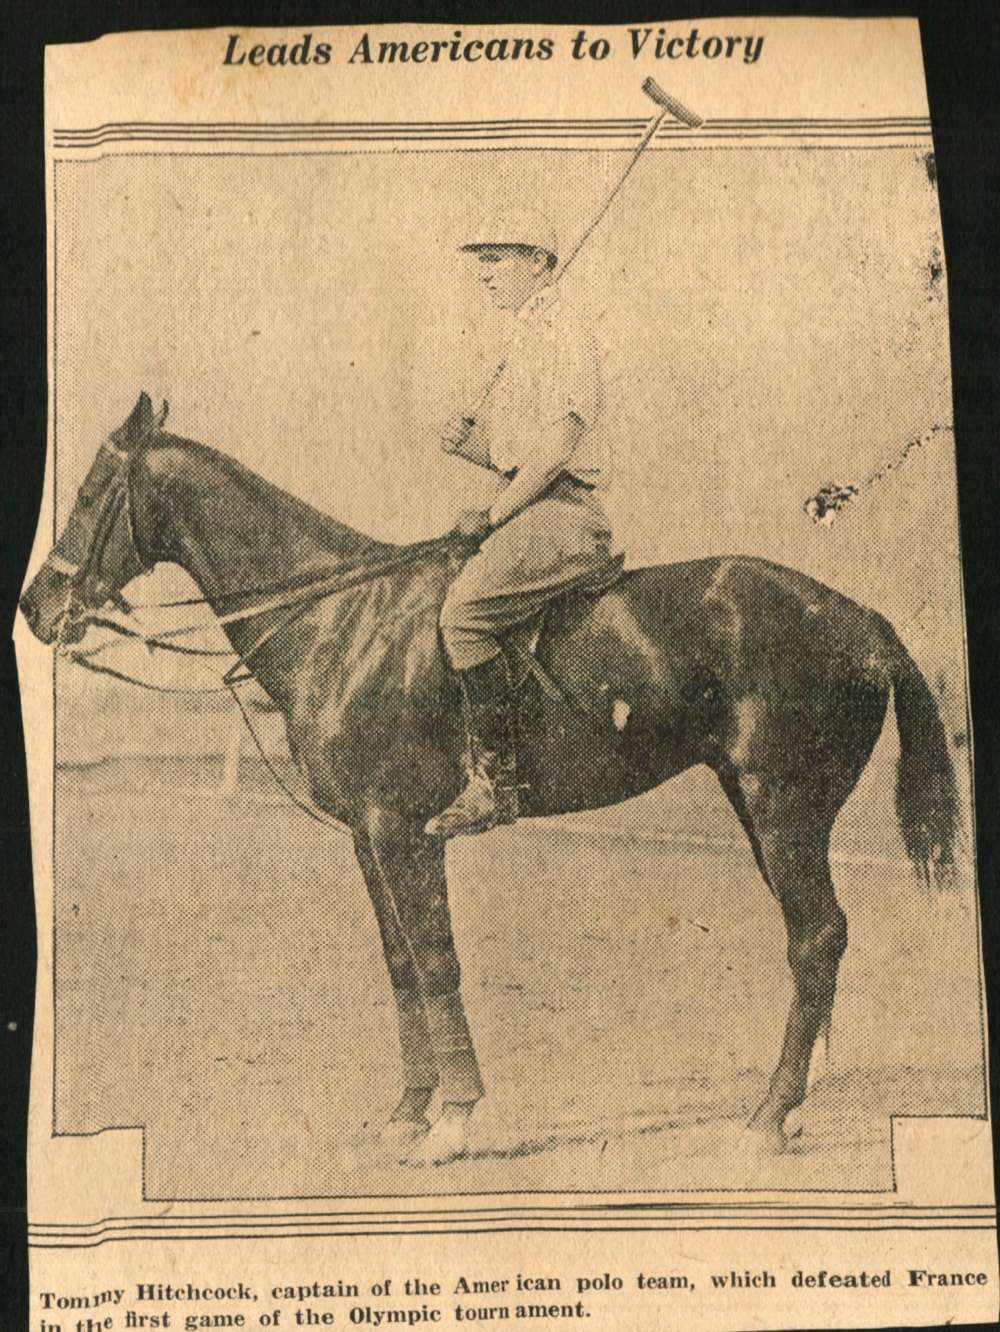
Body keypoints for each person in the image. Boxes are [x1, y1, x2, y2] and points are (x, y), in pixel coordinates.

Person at [425, 207, 619, 839]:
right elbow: (514, 454)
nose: (485, 273)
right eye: (480, 260)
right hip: (530, 503)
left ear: (540, 262)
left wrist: (492, 513)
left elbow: (558, 450)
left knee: (464, 614)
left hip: (562, 512)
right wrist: (469, 445)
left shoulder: (567, 333)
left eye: (499, 257)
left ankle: (496, 783)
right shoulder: (528, 337)